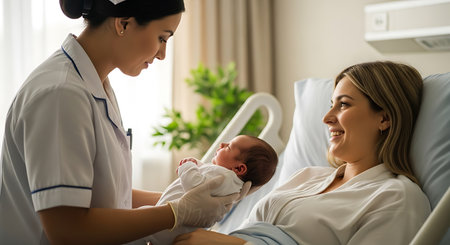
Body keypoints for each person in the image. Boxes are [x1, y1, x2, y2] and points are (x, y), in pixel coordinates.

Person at [0, 0, 250, 244]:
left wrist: (187, 198)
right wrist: (175, 212)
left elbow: (102, 197)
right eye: (162, 38)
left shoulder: (94, 84)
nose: (162, 54)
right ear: (123, 23)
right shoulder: (61, 94)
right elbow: (67, 229)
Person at [171, 61, 431, 245]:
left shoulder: (397, 198)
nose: (327, 118)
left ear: (384, 118)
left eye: (343, 105)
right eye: (331, 105)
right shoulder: (307, 176)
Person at [147, 135, 278, 245]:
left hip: (167, 227)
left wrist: (187, 167)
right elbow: (206, 179)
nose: (222, 144)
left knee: (138, 229)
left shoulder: (224, 177)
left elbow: (193, 186)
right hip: (170, 225)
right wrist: (197, 165)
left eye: (229, 147)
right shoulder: (228, 181)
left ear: (239, 169)